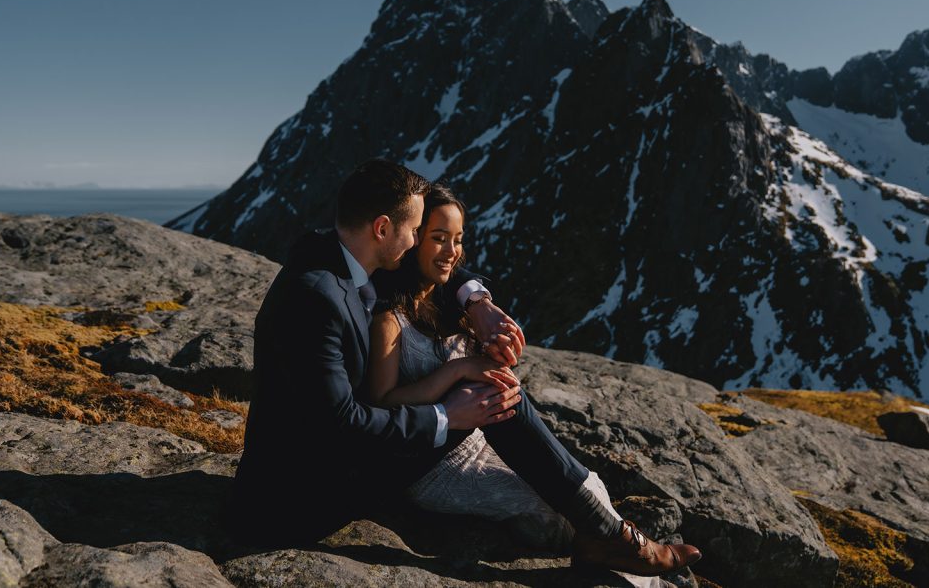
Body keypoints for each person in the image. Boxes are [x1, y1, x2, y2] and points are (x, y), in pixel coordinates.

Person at [231, 159, 701, 576]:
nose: (419, 241)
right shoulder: (318, 298)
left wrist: (476, 300)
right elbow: (342, 425)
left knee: (494, 396)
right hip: (301, 500)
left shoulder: (332, 255)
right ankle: (616, 540)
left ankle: (605, 535)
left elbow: (441, 267)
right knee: (499, 401)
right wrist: (446, 416)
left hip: (332, 459)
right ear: (381, 228)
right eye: (416, 231)